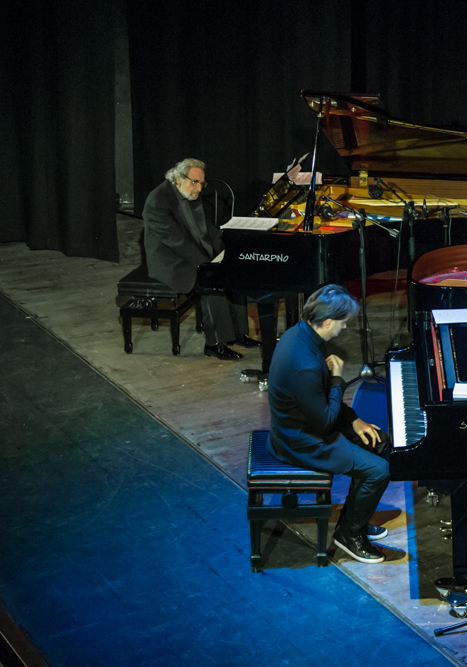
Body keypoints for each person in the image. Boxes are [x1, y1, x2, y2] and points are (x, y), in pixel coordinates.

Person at [266, 284, 392, 564]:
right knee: (379, 471)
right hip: (301, 441)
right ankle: (349, 536)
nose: (345, 326)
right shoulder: (305, 364)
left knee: (380, 441)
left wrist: (354, 420)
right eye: (343, 321)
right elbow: (323, 422)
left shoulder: (302, 333)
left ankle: (353, 522)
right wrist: (338, 378)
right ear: (326, 321)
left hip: (309, 423)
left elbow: (317, 400)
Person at [142, 158, 258, 360]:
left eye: (201, 183)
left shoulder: (189, 192)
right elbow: (176, 242)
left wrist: (228, 247)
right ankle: (215, 344)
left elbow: (207, 230)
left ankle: (239, 334)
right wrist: (208, 265)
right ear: (178, 178)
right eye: (194, 182)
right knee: (212, 282)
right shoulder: (157, 200)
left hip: (192, 253)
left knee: (233, 271)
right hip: (170, 261)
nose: (198, 188)